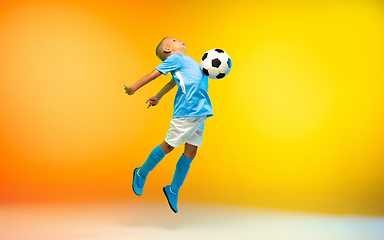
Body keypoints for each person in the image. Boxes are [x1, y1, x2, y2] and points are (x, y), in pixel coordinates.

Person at [124, 37, 213, 213]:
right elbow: (153, 74)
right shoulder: (175, 59)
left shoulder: (189, 61)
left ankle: (173, 189)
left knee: (191, 152)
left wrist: (158, 96)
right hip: (186, 112)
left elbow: (174, 82)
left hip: (201, 112)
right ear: (167, 50)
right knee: (168, 146)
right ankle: (141, 173)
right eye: (173, 40)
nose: (179, 39)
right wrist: (134, 88)